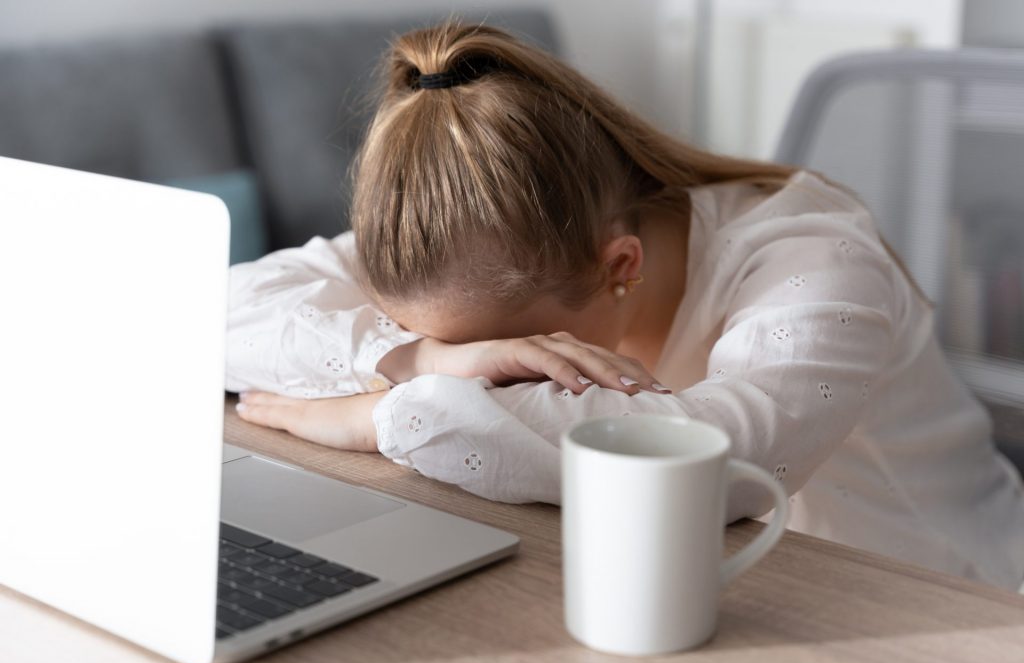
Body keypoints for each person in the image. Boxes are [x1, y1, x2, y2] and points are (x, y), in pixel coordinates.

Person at [224, 19, 1024, 591]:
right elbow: (215, 312)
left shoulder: (816, 260)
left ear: (620, 266)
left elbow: (719, 461)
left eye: (506, 364)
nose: (491, 379)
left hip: (941, 601)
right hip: (721, 587)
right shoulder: (487, 247)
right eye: (486, 373)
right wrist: (415, 358)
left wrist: (382, 416)